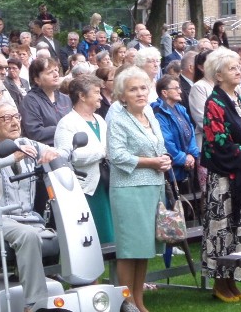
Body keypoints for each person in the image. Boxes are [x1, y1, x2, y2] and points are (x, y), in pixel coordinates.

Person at [0, 100, 61, 312]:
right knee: (27, 235)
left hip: (28, 219)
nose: (14, 122)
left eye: (16, 116)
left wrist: (55, 154)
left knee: (67, 229)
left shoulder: (28, 143)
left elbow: (60, 152)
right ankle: (34, 305)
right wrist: (10, 157)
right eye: (6, 118)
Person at [106, 66, 170, 312]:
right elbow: (117, 156)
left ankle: (139, 300)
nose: (140, 93)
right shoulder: (119, 119)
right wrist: (152, 162)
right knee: (130, 249)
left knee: (144, 248)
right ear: (122, 95)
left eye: (143, 88)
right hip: (128, 190)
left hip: (154, 185)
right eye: (133, 89)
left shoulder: (151, 115)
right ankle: (127, 302)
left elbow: (157, 147)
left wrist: (163, 159)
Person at [200, 48, 241, 302]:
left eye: (238, 67)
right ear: (218, 75)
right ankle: (220, 284)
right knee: (221, 230)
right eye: (232, 68)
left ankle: (232, 282)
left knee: (237, 229)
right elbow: (219, 142)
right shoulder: (214, 102)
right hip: (223, 176)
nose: (238, 71)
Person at [55, 74, 114, 244]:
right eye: (96, 92)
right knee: (93, 239)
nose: (100, 96)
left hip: (106, 182)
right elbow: (69, 156)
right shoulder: (67, 123)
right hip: (86, 188)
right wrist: (103, 151)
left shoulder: (100, 120)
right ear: (81, 95)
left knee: (113, 235)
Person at [152, 75, 199, 191]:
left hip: (188, 165)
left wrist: (192, 155)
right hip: (173, 170)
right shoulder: (159, 113)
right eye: (176, 88)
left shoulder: (180, 109)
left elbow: (191, 131)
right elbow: (166, 141)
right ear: (165, 92)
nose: (180, 91)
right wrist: (183, 159)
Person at [21, 57, 71, 146]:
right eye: (50, 72)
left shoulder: (65, 98)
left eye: (56, 70)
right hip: (46, 153)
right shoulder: (30, 101)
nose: (56, 74)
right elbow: (35, 133)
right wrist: (65, 129)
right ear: (37, 80)